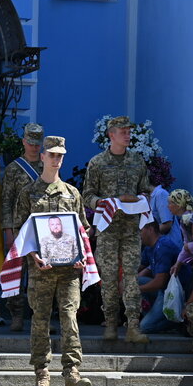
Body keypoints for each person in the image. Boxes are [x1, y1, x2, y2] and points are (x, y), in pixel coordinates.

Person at [14, 135, 93, 386]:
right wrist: (33, 255)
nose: (57, 159)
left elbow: (83, 230)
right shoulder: (29, 193)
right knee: (40, 320)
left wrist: (81, 254)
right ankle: (41, 374)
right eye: (52, 155)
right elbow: (21, 233)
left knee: (70, 319)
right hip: (41, 270)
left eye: (60, 155)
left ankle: (72, 374)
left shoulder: (72, 194)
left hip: (69, 271)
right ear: (43, 157)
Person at [82, 116, 151, 343]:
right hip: (108, 230)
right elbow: (88, 195)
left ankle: (132, 326)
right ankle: (110, 324)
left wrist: (140, 198)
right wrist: (103, 203)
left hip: (131, 230)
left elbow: (145, 190)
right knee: (110, 278)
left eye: (129, 131)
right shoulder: (98, 163)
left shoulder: (137, 161)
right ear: (111, 135)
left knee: (131, 277)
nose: (128, 135)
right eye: (123, 131)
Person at [1, 123, 43, 331]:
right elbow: (6, 201)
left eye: (38, 144)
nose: (34, 147)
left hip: (43, 229)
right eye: (31, 143)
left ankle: (39, 317)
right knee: (16, 272)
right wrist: (8, 229)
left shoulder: (48, 166)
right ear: (24, 142)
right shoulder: (14, 169)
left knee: (41, 275)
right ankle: (16, 315)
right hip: (19, 228)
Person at [137, 221, 182, 333]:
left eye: (141, 231)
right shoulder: (149, 247)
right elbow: (139, 268)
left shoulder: (163, 246)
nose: (139, 235)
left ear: (150, 229)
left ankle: (175, 321)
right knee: (134, 281)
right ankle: (153, 316)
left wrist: (133, 290)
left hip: (172, 292)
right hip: (162, 290)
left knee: (144, 327)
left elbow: (160, 282)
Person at [167, 189, 193, 297]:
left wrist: (187, 246)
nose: (168, 206)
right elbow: (187, 243)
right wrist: (178, 263)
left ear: (179, 205)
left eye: (171, 203)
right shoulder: (184, 219)